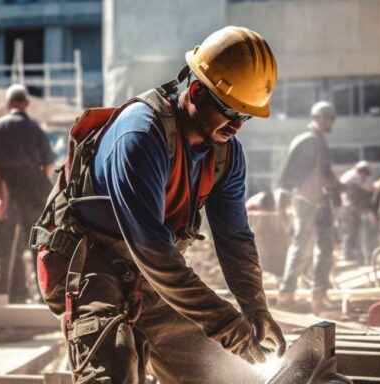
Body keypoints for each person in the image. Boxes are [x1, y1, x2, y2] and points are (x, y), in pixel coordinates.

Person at [30, 27, 285, 383]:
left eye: (248, 115)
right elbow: (154, 253)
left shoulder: (225, 153)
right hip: (92, 265)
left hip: (154, 277)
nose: (239, 125)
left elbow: (236, 241)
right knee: (116, 365)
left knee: (219, 375)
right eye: (231, 112)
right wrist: (228, 326)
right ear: (197, 91)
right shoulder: (140, 135)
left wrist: (255, 310)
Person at [0, 84, 55, 303]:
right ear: (27, 104)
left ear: (8, 104)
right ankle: (43, 293)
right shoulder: (36, 129)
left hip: (10, 188)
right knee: (38, 242)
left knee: (10, 244)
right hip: (36, 189)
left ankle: (15, 293)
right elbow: (48, 166)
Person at [276, 100, 339, 314]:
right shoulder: (309, 141)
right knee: (302, 246)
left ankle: (318, 295)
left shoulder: (318, 141)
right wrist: (284, 203)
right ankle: (287, 293)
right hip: (306, 201)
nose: (332, 122)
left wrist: (335, 186)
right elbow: (290, 175)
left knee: (324, 248)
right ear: (319, 118)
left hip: (319, 201)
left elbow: (325, 172)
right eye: (329, 118)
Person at [338, 161, 374, 264]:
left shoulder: (350, 175)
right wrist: (376, 186)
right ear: (362, 171)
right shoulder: (355, 176)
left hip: (347, 208)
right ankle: (348, 256)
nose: (365, 177)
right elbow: (368, 188)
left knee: (350, 232)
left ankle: (350, 255)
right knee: (350, 232)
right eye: (366, 174)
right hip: (349, 209)